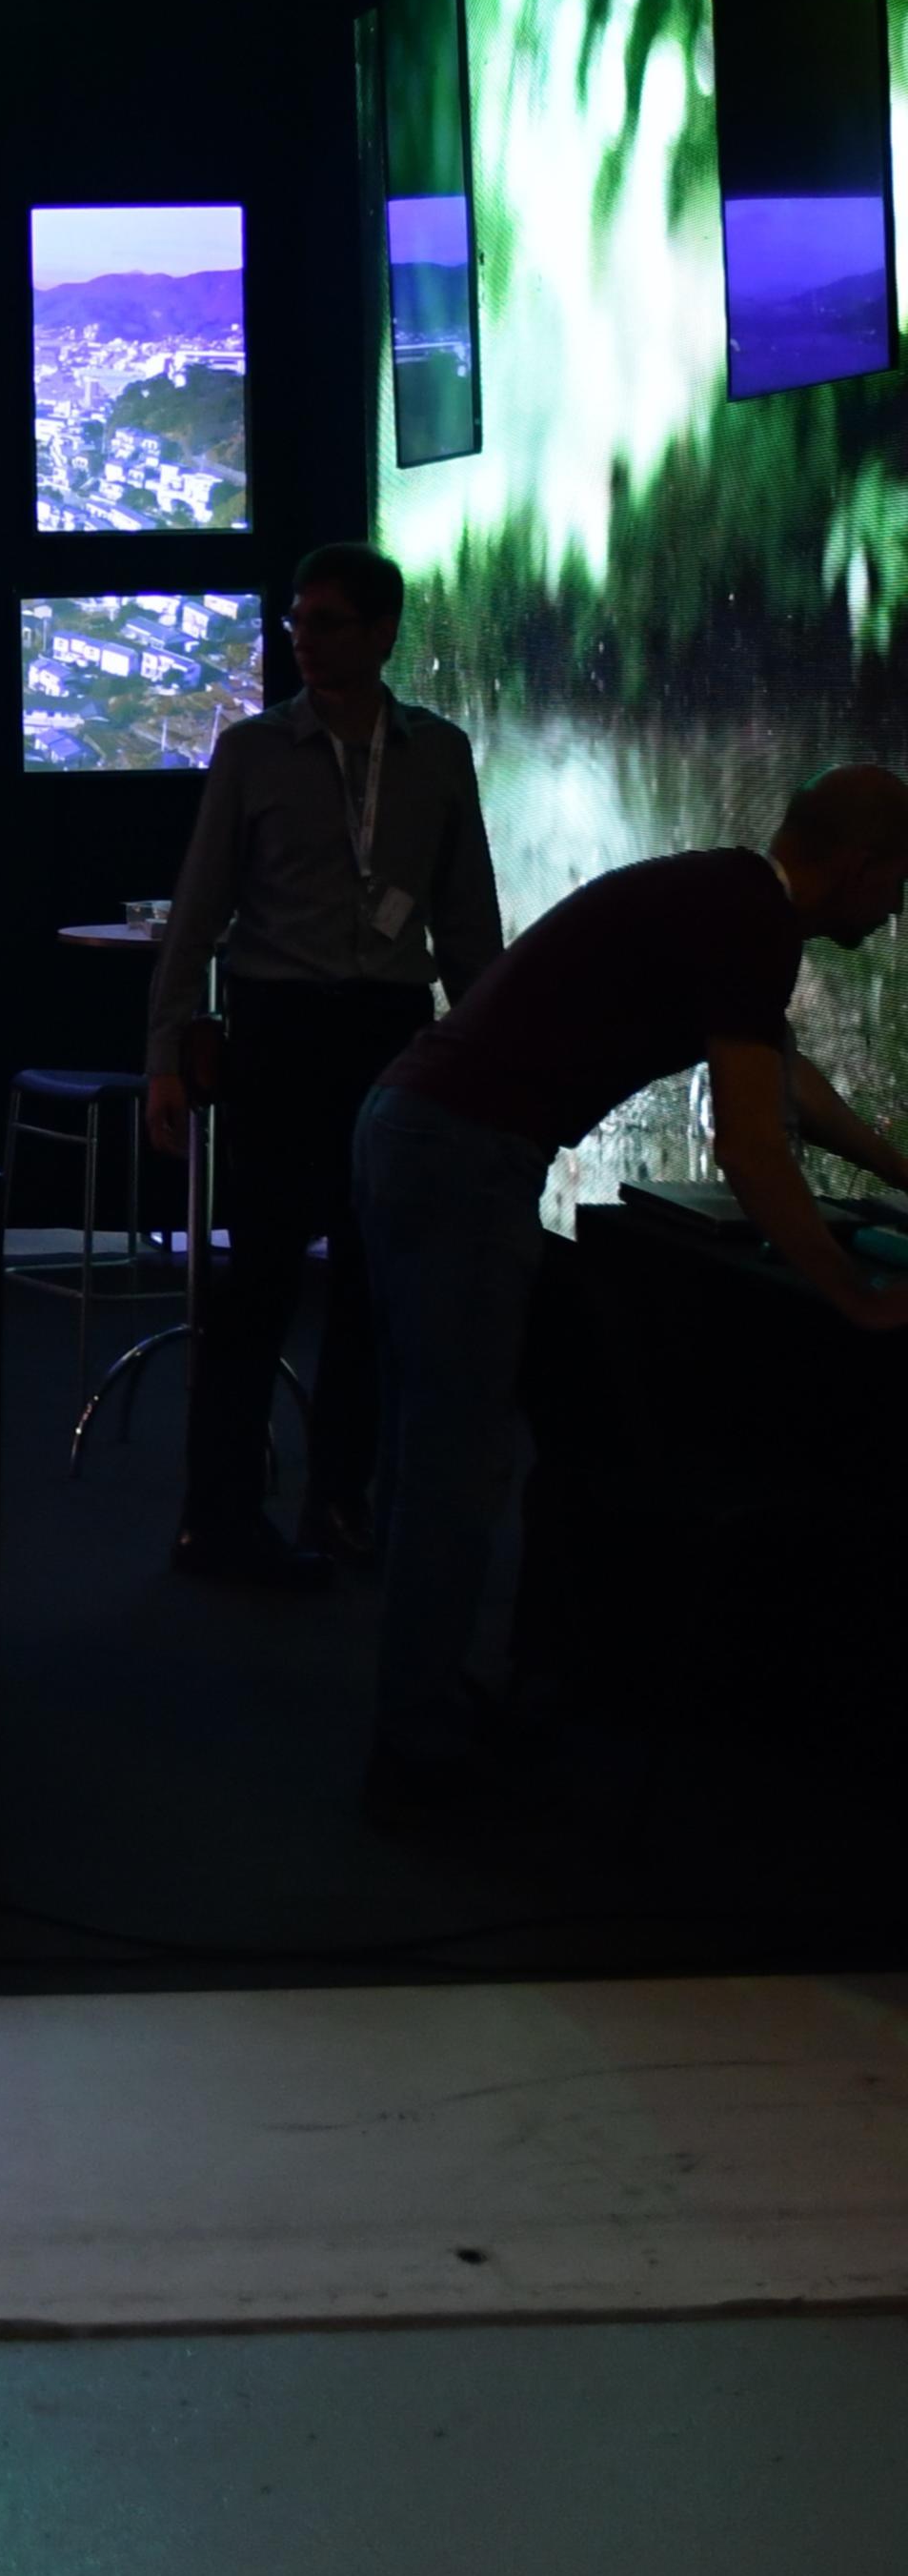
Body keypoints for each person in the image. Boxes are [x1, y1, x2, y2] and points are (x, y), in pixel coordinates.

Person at [350, 764, 908, 1816]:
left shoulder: (730, 898)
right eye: (898, 884)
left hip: (412, 1129)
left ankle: (424, 1700)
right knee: (457, 1463)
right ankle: (415, 1750)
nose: (894, 910)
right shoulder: (752, 922)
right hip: (462, 1156)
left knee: (431, 1446)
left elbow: (789, 1088)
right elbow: (752, 1146)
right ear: (859, 865)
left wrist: (902, 1174)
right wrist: (857, 1296)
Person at [143, 542, 501, 1589]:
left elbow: (465, 918)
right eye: (295, 621)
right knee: (254, 1283)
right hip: (278, 1032)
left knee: (371, 1284)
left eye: (326, 622)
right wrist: (166, 1054)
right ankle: (216, 1516)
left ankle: (339, 1502)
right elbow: (197, 911)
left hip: (391, 1037)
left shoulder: (438, 753)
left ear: (384, 633)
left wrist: (495, 1058)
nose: (302, 639)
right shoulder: (254, 751)